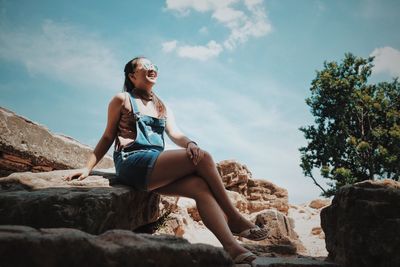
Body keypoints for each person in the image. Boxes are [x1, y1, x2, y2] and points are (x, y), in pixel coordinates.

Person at [65, 56, 268, 264]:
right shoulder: (122, 99)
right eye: (145, 66)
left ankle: (232, 248)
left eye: (154, 66)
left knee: (200, 186)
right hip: (132, 162)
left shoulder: (162, 106)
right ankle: (234, 218)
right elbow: (108, 136)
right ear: (132, 76)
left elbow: (175, 134)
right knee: (204, 158)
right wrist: (88, 168)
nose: (152, 69)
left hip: (154, 167)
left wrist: (190, 143)